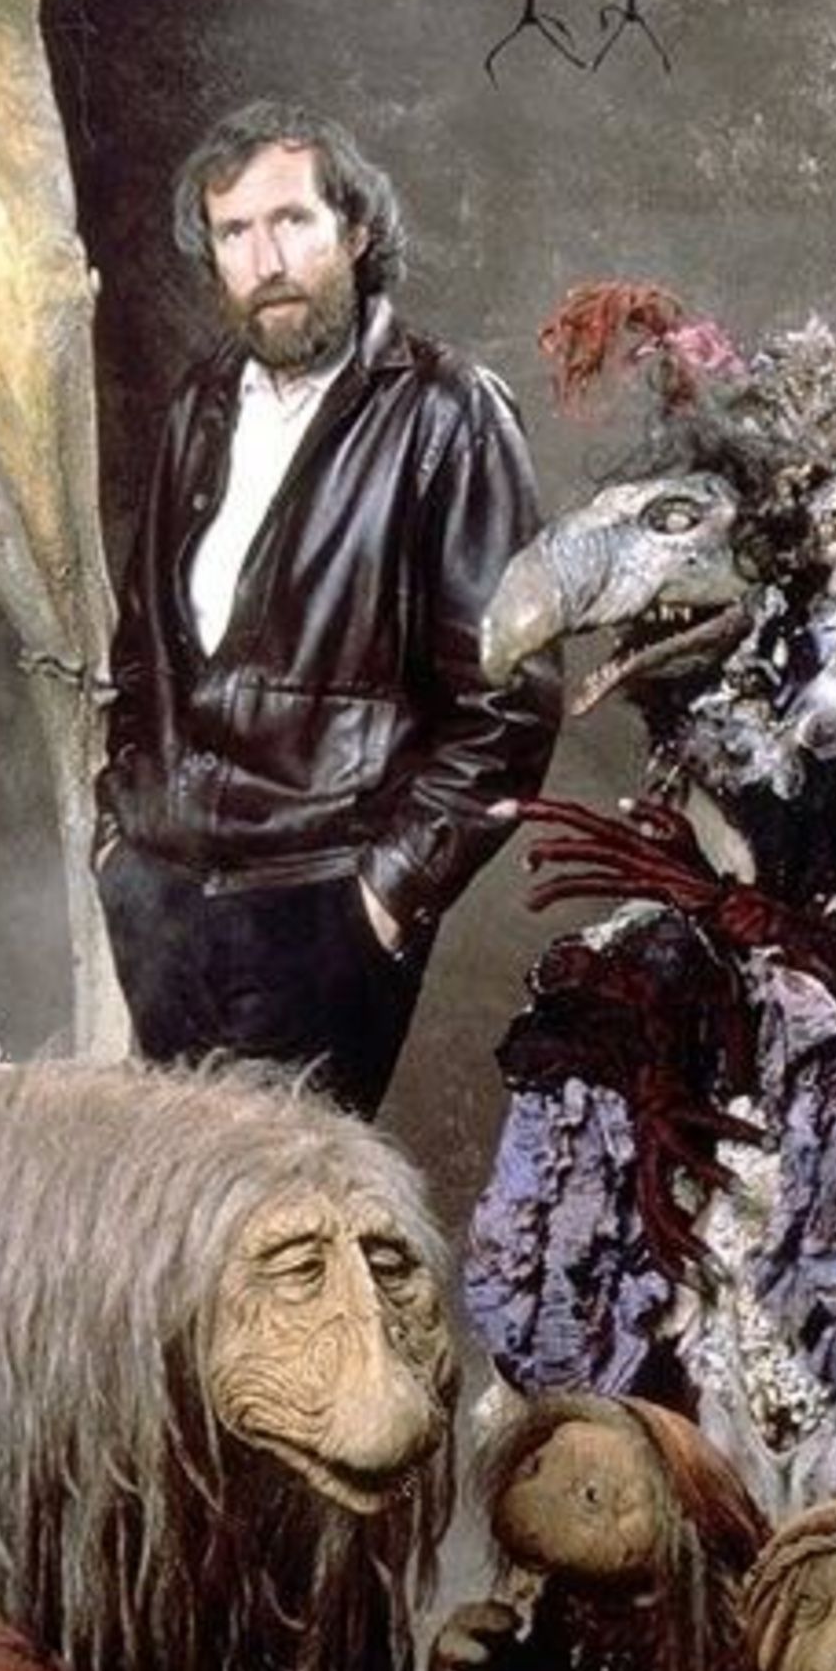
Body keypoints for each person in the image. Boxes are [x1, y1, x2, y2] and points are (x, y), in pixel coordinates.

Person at [96, 102, 558, 1116]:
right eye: (234, 232)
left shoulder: (449, 414)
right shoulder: (200, 403)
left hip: (319, 908)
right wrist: (120, 838)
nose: (266, 261)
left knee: (285, 1204)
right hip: (163, 905)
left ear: (354, 232)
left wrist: (385, 897)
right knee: (179, 1194)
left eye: (292, 221)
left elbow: (509, 706)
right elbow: (143, 650)